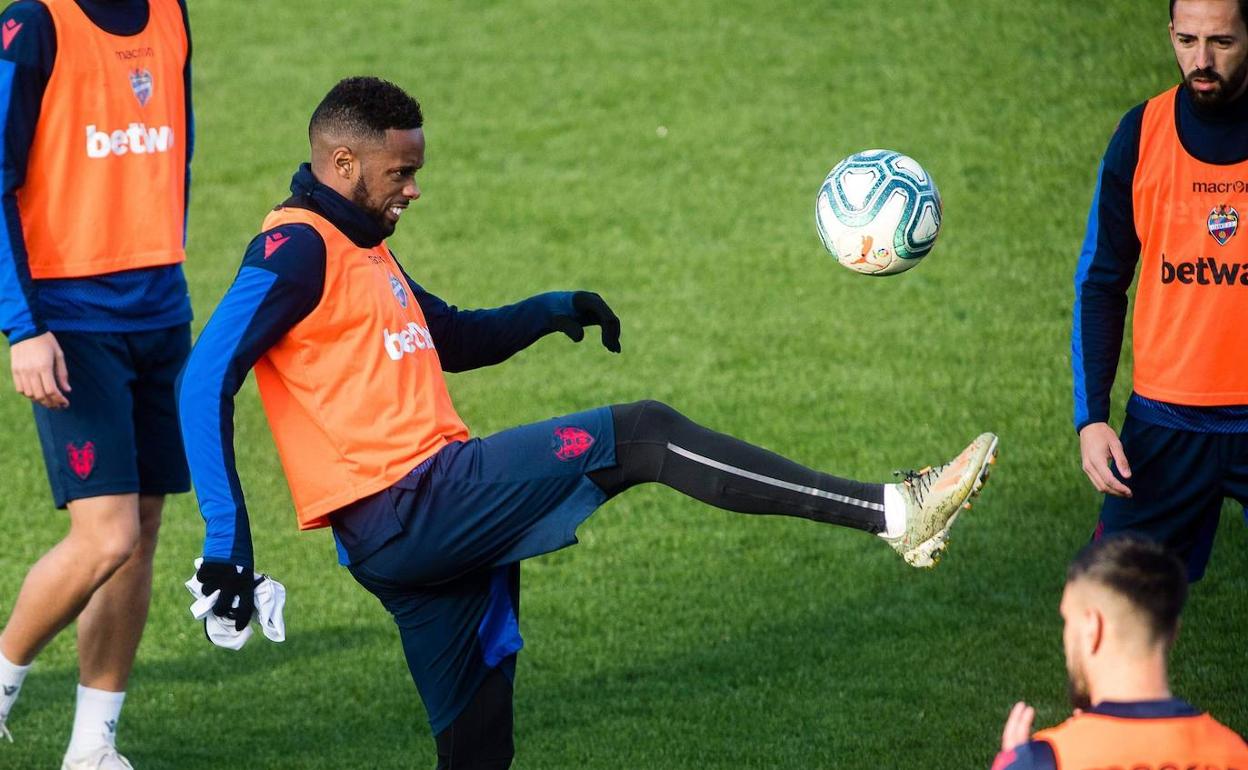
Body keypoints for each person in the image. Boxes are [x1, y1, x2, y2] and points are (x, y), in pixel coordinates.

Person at [177, 76, 998, 770]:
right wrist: (226, 538)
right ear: (343, 161)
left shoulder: (361, 244)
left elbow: (452, 336)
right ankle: (895, 512)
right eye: (401, 172)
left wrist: (551, 309)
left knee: (477, 751)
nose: (414, 188)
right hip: (416, 503)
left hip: (405, 542)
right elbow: (204, 379)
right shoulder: (294, 250)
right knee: (641, 432)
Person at [0, 0, 193, 767]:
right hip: (70, 319)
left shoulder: (171, 13)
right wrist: (23, 326)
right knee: (105, 534)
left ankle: (92, 747)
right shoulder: (33, 25)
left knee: (140, 533)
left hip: (160, 311)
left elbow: (177, 149)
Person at [1073, 0, 1248, 582]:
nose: (1201, 60)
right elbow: (1101, 281)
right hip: (1164, 422)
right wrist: (1091, 418)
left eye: (1221, 43)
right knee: (1107, 604)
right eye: (1187, 39)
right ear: (1170, 32)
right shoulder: (1141, 133)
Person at [991, 534, 1248, 769]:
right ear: (1173, 632)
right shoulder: (1235, 753)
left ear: (1093, 628)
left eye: (1068, 621)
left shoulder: (1052, 758)